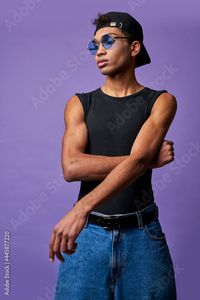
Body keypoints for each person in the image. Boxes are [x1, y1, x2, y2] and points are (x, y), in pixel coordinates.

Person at [50, 11, 177, 300]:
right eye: (94, 45)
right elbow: (71, 167)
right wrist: (144, 160)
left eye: (108, 40)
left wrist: (80, 208)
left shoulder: (161, 101)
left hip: (142, 236)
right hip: (87, 237)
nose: (99, 51)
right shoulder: (80, 103)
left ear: (134, 48)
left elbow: (138, 161)